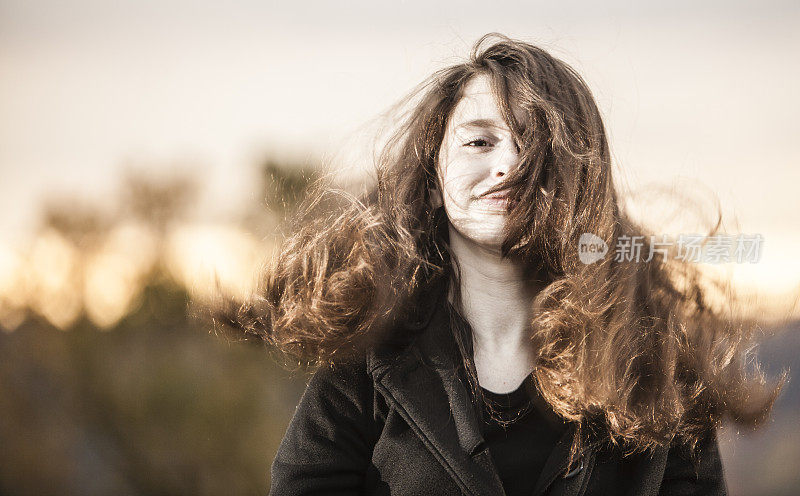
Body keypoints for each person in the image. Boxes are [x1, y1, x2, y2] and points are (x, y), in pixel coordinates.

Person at [224, 33, 785, 495]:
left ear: (578, 179)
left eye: (533, 146)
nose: (507, 167)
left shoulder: (657, 361)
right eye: (478, 142)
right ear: (434, 175)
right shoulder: (368, 362)